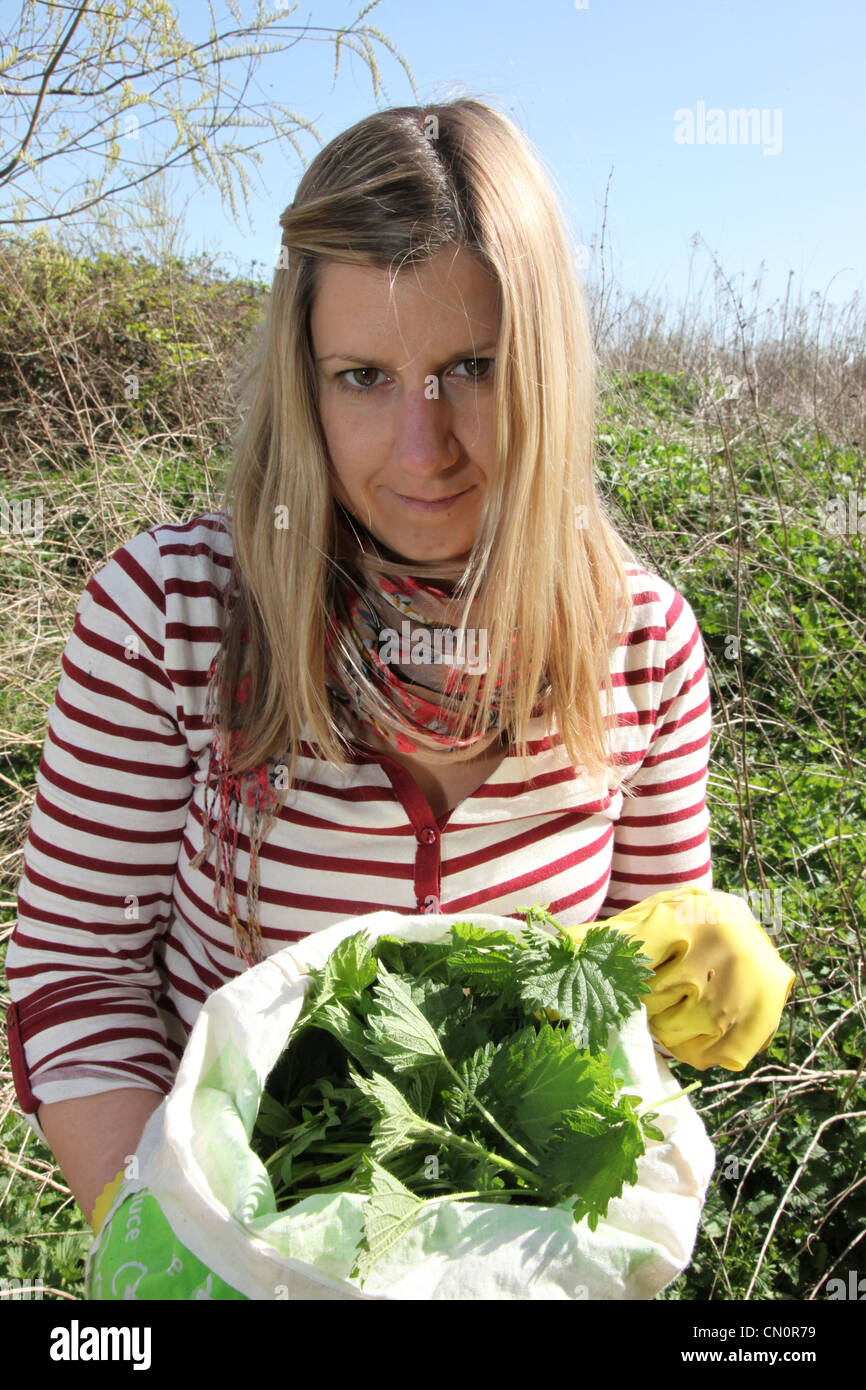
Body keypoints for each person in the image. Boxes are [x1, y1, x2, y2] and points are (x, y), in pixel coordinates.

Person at [5, 97, 719, 1232]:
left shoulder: (638, 645)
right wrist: (164, 1237)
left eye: (471, 366)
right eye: (362, 377)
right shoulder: (171, 618)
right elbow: (76, 978)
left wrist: (697, 971)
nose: (421, 449)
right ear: (303, 379)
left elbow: (641, 995)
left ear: (548, 363)